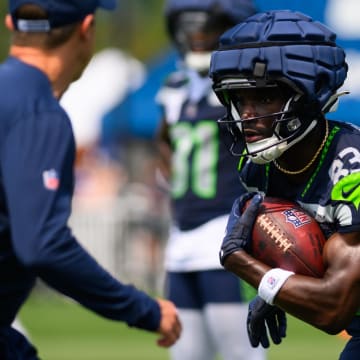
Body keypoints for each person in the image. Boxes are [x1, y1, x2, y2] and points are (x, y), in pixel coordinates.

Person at [0, 1, 182, 359]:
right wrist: (141, 308)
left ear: (10, 23)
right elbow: (43, 244)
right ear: (87, 29)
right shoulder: (40, 114)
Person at [209, 9, 360, 359]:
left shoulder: (352, 167)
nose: (247, 114)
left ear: (310, 94)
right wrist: (277, 288)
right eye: (239, 99)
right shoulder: (260, 168)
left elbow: (332, 309)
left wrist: (247, 267)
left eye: (263, 98)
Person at [156, 1, 266, 359]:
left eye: (207, 28)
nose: (197, 36)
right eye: (189, 28)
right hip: (181, 235)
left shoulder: (242, 88)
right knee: (186, 354)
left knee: (241, 353)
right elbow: (164, 140)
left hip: (223, 230)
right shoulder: (176, 86)